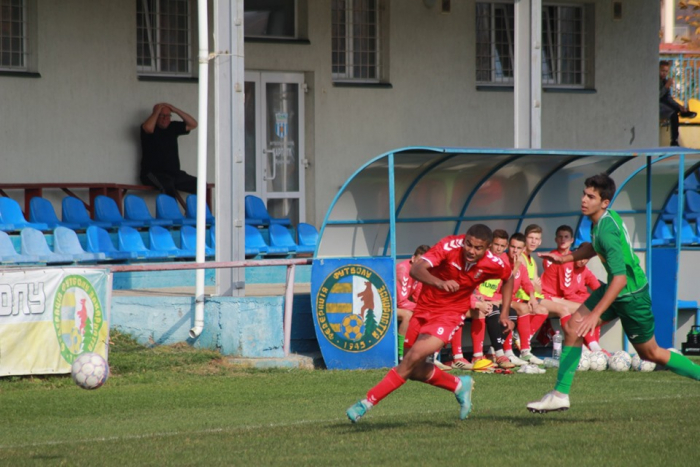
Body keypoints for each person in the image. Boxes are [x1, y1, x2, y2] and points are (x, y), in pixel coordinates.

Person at [528, 173, 700, 414]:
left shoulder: (607, 229)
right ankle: (560, 394)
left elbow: (619, 279)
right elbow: (591, 247)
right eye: (584, 194)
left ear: (604, 202)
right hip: (616, 289)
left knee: (650, 353)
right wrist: (563, 258)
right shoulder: (601, 221)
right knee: (571, 329)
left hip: (631, 296)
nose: (584, 200)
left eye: (591, 196)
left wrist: (594, 314)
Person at [346, 224, 515, 423]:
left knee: (413, 358)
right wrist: (439, 283)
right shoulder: (449, 245)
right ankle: (459, 385)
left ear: (486, 248)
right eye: (468, 244)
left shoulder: (494, 263)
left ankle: (366, 403)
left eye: (478, 248)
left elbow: (509, 278)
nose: (471, 250)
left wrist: (504, 313)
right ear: (464, 239)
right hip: (423, 309)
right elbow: (416, 269)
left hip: (449, 315)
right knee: (414, 369)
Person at [140, 102, 199, 198]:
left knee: (200, 185)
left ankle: (197, 212)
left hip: (173, 173)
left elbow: (193, 124)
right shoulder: (148, 126)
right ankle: (172, 213)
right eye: (161, 115)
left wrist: (175, 109)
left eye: (168, 116)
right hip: (152, 173)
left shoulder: (173, 126)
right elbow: (148, 128)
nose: (165, 119)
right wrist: (156, 111)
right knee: (167, 186)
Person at [396, 244, 430, 361]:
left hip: (399, 305)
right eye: (418, 261)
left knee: (430, 313)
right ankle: (402, 355)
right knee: (408, 315)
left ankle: (427, 355)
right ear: (413, 258)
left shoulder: (419, 272)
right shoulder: (403, 269)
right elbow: (401, 302)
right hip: (386, 307)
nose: (420, 265)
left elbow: (419, 297)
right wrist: (421, 308)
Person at [659, 60, 696, 147]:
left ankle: (683, 112)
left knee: (676, 109)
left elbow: (668, 98)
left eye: (666, 71)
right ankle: (674, 141)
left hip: (664, 104)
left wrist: (679, 106)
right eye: (662, 71)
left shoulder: (665, 81)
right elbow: (657, 96)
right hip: (657, 105)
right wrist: (666, 86)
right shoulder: (656, 81)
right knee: (673, 113)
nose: (664, 73)